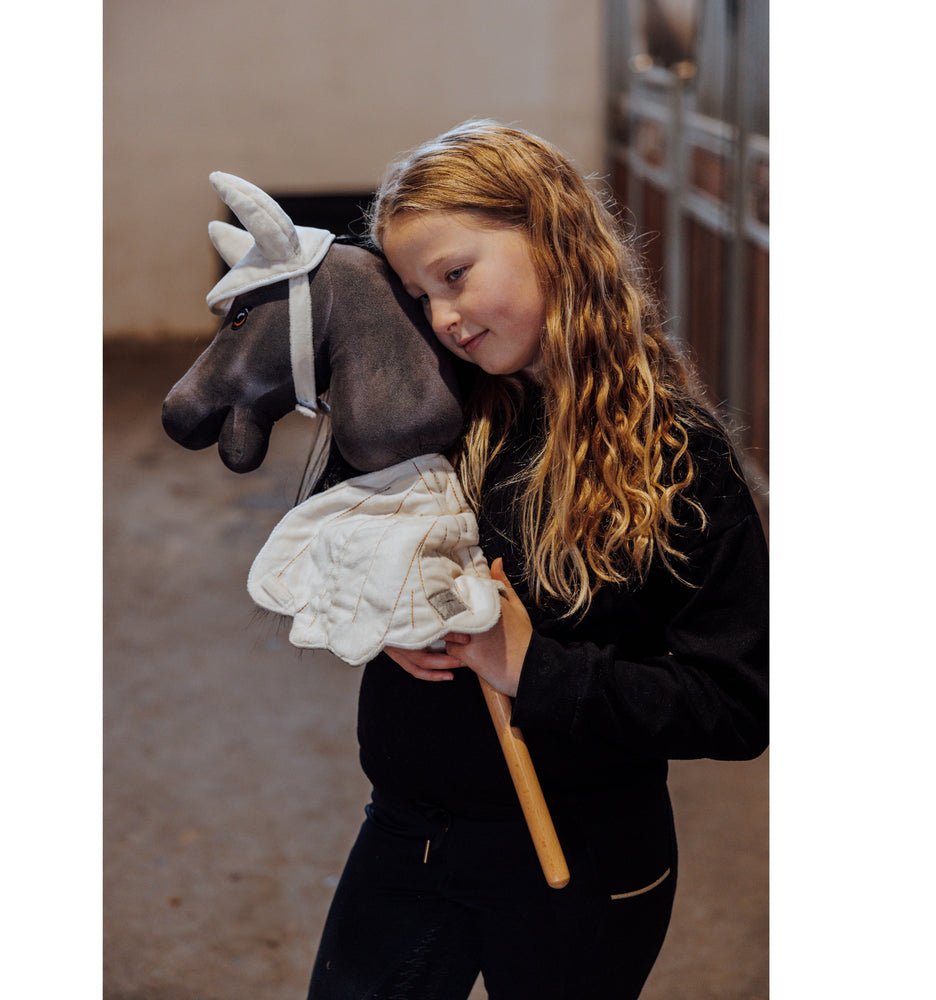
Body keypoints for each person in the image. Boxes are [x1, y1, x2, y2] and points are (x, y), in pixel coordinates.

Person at [305, 120, 768, 1000]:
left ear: (554, 237)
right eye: (419, 297)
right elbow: (341, 535)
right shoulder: (435, 418)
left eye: (455, 276)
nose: (442, 319)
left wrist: (532, 667)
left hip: (584, 860)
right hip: (410, 833)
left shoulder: (679, 457)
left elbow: (736, 705)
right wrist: (381, 614)